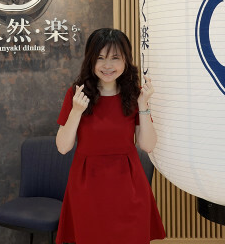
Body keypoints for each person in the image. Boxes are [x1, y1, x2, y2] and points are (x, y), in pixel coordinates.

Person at [55, 28, 166, 244]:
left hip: (129, 188)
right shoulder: (76, 93)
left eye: (115, 58)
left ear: (126, 60)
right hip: (87, 187)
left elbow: (147, 145)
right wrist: (76, 111)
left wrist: (143, 105)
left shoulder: (134, 94)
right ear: (90, 60)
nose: (108, 65)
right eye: (100, 58)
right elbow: (63, 147)